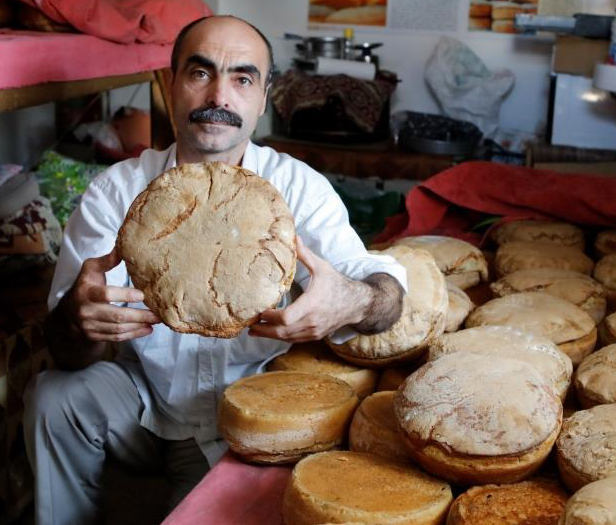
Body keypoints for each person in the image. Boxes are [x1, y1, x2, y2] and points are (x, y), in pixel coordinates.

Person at [23, 15, 406, 525]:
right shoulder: (117, 192)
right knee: (53, 397)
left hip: (242, 415)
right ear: (171, 83)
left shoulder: (297, 189)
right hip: (140, 402)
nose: (219, 96)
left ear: (264, 97)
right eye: (200, 73)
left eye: (243, 78)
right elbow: (66, 349)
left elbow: (385, 293)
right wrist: (79, 319)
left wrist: (349, 300)